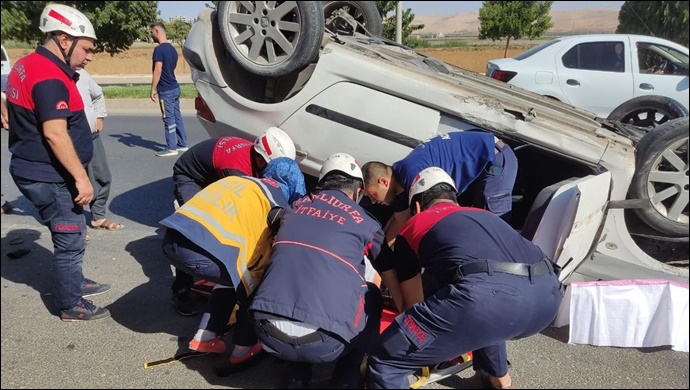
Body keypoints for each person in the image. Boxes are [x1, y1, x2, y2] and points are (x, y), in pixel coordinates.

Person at [365, 167, 564, 389]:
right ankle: (501, 382)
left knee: (387, 359)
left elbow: (411, 306)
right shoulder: (486, 216)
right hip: (547, 299)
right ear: (455, 201)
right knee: (488, 306)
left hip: (488, 301)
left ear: (417, 207)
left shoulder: (414, 225)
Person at [249, 153, 393, 389]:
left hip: (267, 333)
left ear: (321, 183)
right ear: (357, 192)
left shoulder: (293, 208)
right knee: (372, 295)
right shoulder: (365, 222)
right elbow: (390, 273)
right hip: (324, 345)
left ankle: (297, 377)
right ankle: (346, 380)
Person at [5, 3, 111, 321]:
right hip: (49, 174)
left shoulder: (26, 64)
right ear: (65, 40)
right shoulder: (49, 76)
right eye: (87, 49)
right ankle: (70, 303)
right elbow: (54, 133)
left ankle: (74, 281)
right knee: (71, 237)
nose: (90, 56)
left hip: (35, 167)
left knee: (69, 231)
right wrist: (81, 178)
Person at [160, 157, 307, 368]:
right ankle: (243, 349)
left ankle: (204, 337)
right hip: (203, 253)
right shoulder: (276, 205)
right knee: (255, 282)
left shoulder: (241, 181)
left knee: (231, 273)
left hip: (172, 238)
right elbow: (258, 262)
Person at [170, 127, 297, 316]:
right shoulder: (237, 169)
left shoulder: (255, 159)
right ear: (260, 159)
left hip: (213, 173)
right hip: (192, 178)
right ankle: (181, 291)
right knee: (195, 230)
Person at [362, 130, 517, 245]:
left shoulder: (413, 174)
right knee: (474, 227)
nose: (373, 201)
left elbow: (431, 219)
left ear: (383, 182)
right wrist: (380, 261)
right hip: (481, 163)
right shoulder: (402, 181)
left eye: (371, 195)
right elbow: (399, 221)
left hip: (493, 157)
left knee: (490, 230)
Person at [76, 68, 124, 232]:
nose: (89, 57)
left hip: (91, 135)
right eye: (85, 50)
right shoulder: (52, 73)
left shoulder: (81, 73)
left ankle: (98, 216)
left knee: (101, 175)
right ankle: (74, 225)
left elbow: (97, 95)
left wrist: (99, 116)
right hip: (66, 140)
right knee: (71, 181)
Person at [149, 22, 187, 157]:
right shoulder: (172, 49)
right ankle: (182, 144)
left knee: (168, 118)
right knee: (177, 116)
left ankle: (171, 147)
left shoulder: (159, 50)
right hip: (175, 87)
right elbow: (171, 67)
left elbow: (158, 70)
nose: (151, 35)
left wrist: (153, 88)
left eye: (152, 32)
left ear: (157, 32)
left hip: (166, 90)